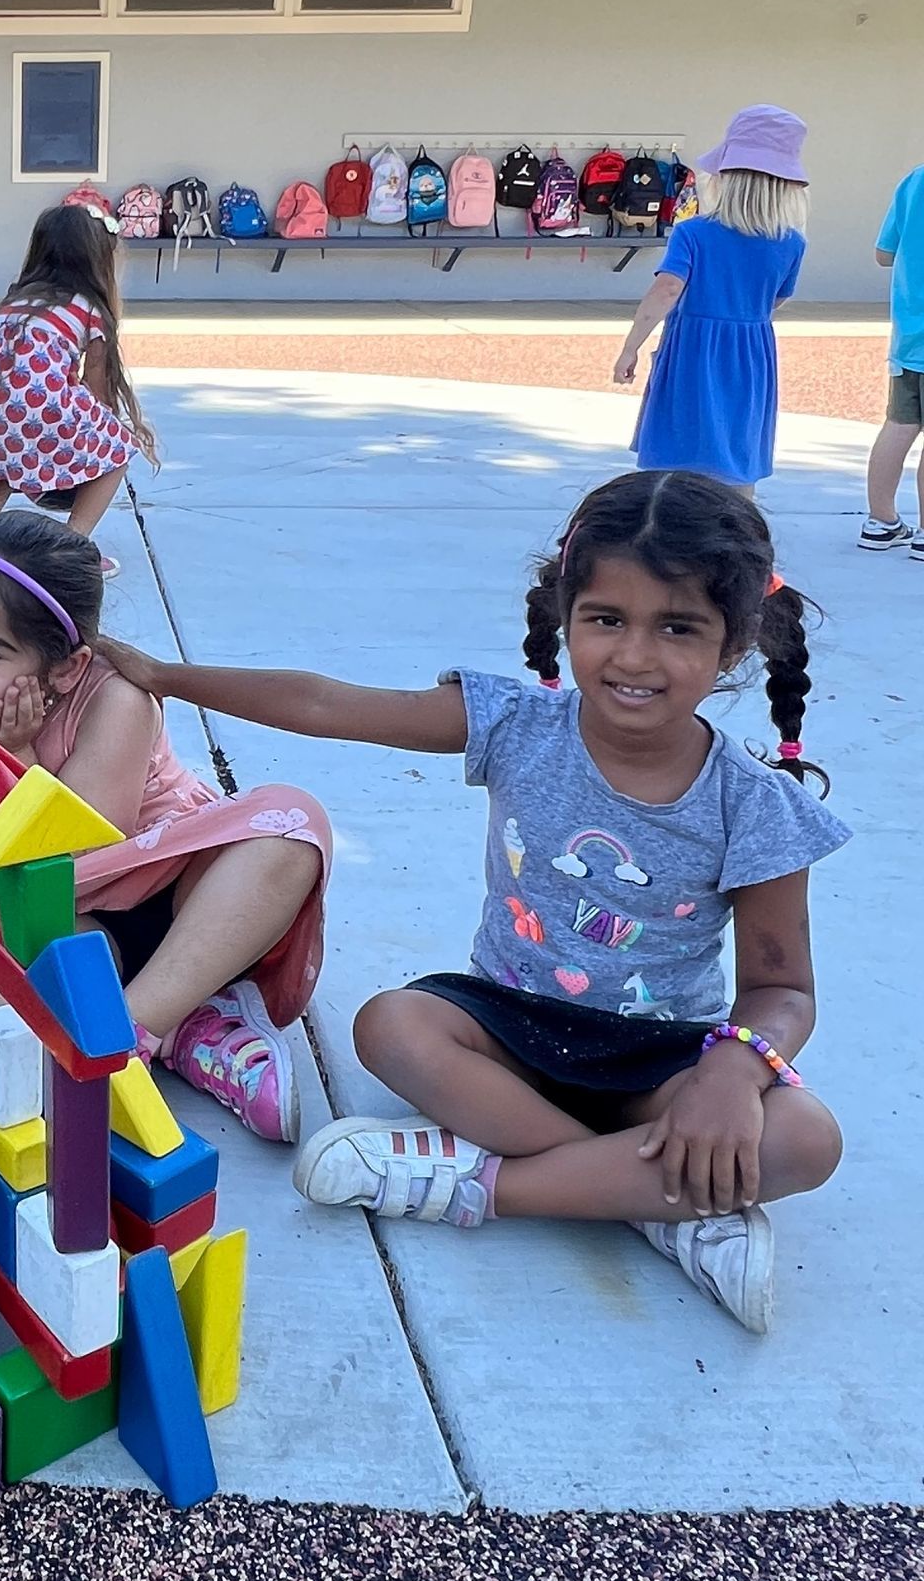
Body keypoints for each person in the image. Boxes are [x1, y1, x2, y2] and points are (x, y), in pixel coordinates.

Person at [104, 469, 849, 1333]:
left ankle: (487, 1186)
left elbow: (782, 990)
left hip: (662, 1059)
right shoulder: (516, 725)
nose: (636, 656)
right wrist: (166, 675)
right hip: (506, 1033)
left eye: (677, 628)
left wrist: (731, 1069)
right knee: (390, 1025)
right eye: (607, 619)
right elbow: (326, 701)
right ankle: (654, 1202)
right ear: (567, 617)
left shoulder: (757, 805)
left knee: (806, 1138)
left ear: (732, 645)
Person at [0, 512, 330, 1141]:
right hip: (76, 925)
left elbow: (81, 841)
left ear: (67, 668)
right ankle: (185, 1022)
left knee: (292, 824)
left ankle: (123, 1041)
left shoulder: (114, 700)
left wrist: (14, 756)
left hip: (179, 896)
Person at [612, 104, 810, 491]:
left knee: (676, 447)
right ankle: (737, 527)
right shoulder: (791, 242)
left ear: (726, 177)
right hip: (751, 352)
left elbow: (666, 289)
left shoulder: (694, 233)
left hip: (692, 349)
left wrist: (630, 347)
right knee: (738, 449)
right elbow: (777, 299)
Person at [0, 203, 154, 551]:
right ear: (96, 257)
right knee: (118, 448)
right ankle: (70, 545)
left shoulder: (14, 301)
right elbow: (98, 393)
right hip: (35, 410)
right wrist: (90, 452)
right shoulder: (88, 307)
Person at [860, 154, 924, 553]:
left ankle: (881, 521)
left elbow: (884, 254)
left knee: (898, 426)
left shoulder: (914, 180)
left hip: (909, 336)